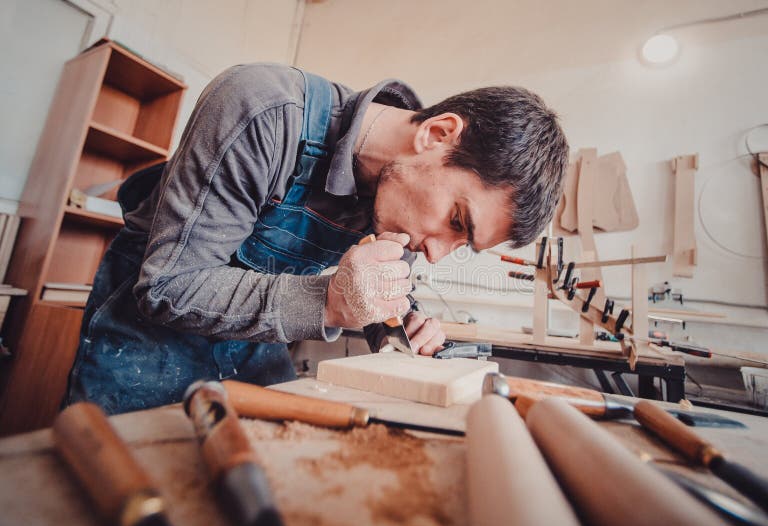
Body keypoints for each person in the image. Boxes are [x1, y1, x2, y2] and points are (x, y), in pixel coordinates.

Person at [63, 63, 568, 415]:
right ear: (436, 135)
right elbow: (170, 287)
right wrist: (330, 301)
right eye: (458, 221)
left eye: (462, 244)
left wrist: (399, 324)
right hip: (145, 342)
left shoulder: (402, 190)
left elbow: (380, 291)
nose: (436, 252)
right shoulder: (264, 110)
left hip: (250, 347)